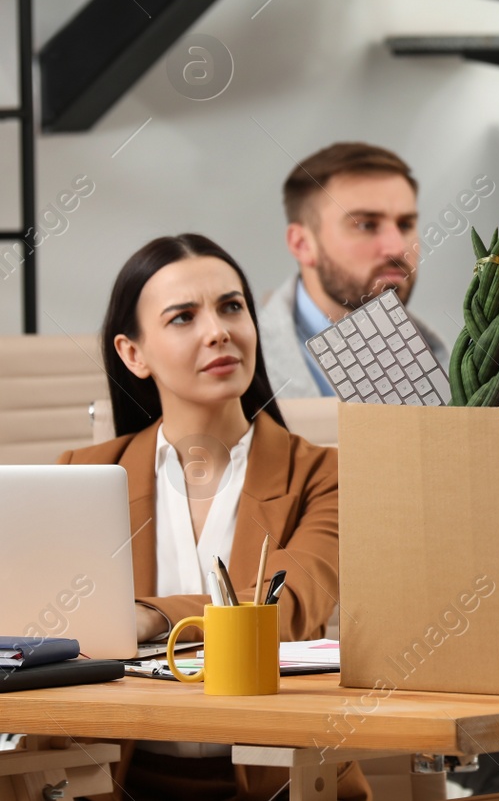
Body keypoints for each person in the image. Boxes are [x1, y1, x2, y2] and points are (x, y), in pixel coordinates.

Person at [58, 233, 367, 801]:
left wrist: (149, 616)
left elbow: (286, 611)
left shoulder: (325, 474)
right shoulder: (81, 476)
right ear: (134, 354)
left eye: (231, 307)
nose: (218, 330)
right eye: (183, 317)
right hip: (115, 781)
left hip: (280, 784)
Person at [257, 142, 449, 400]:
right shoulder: (243, 365)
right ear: (302, 245)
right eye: (366, 225)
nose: (396, 248)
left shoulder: (442, 356)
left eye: (405, 224)